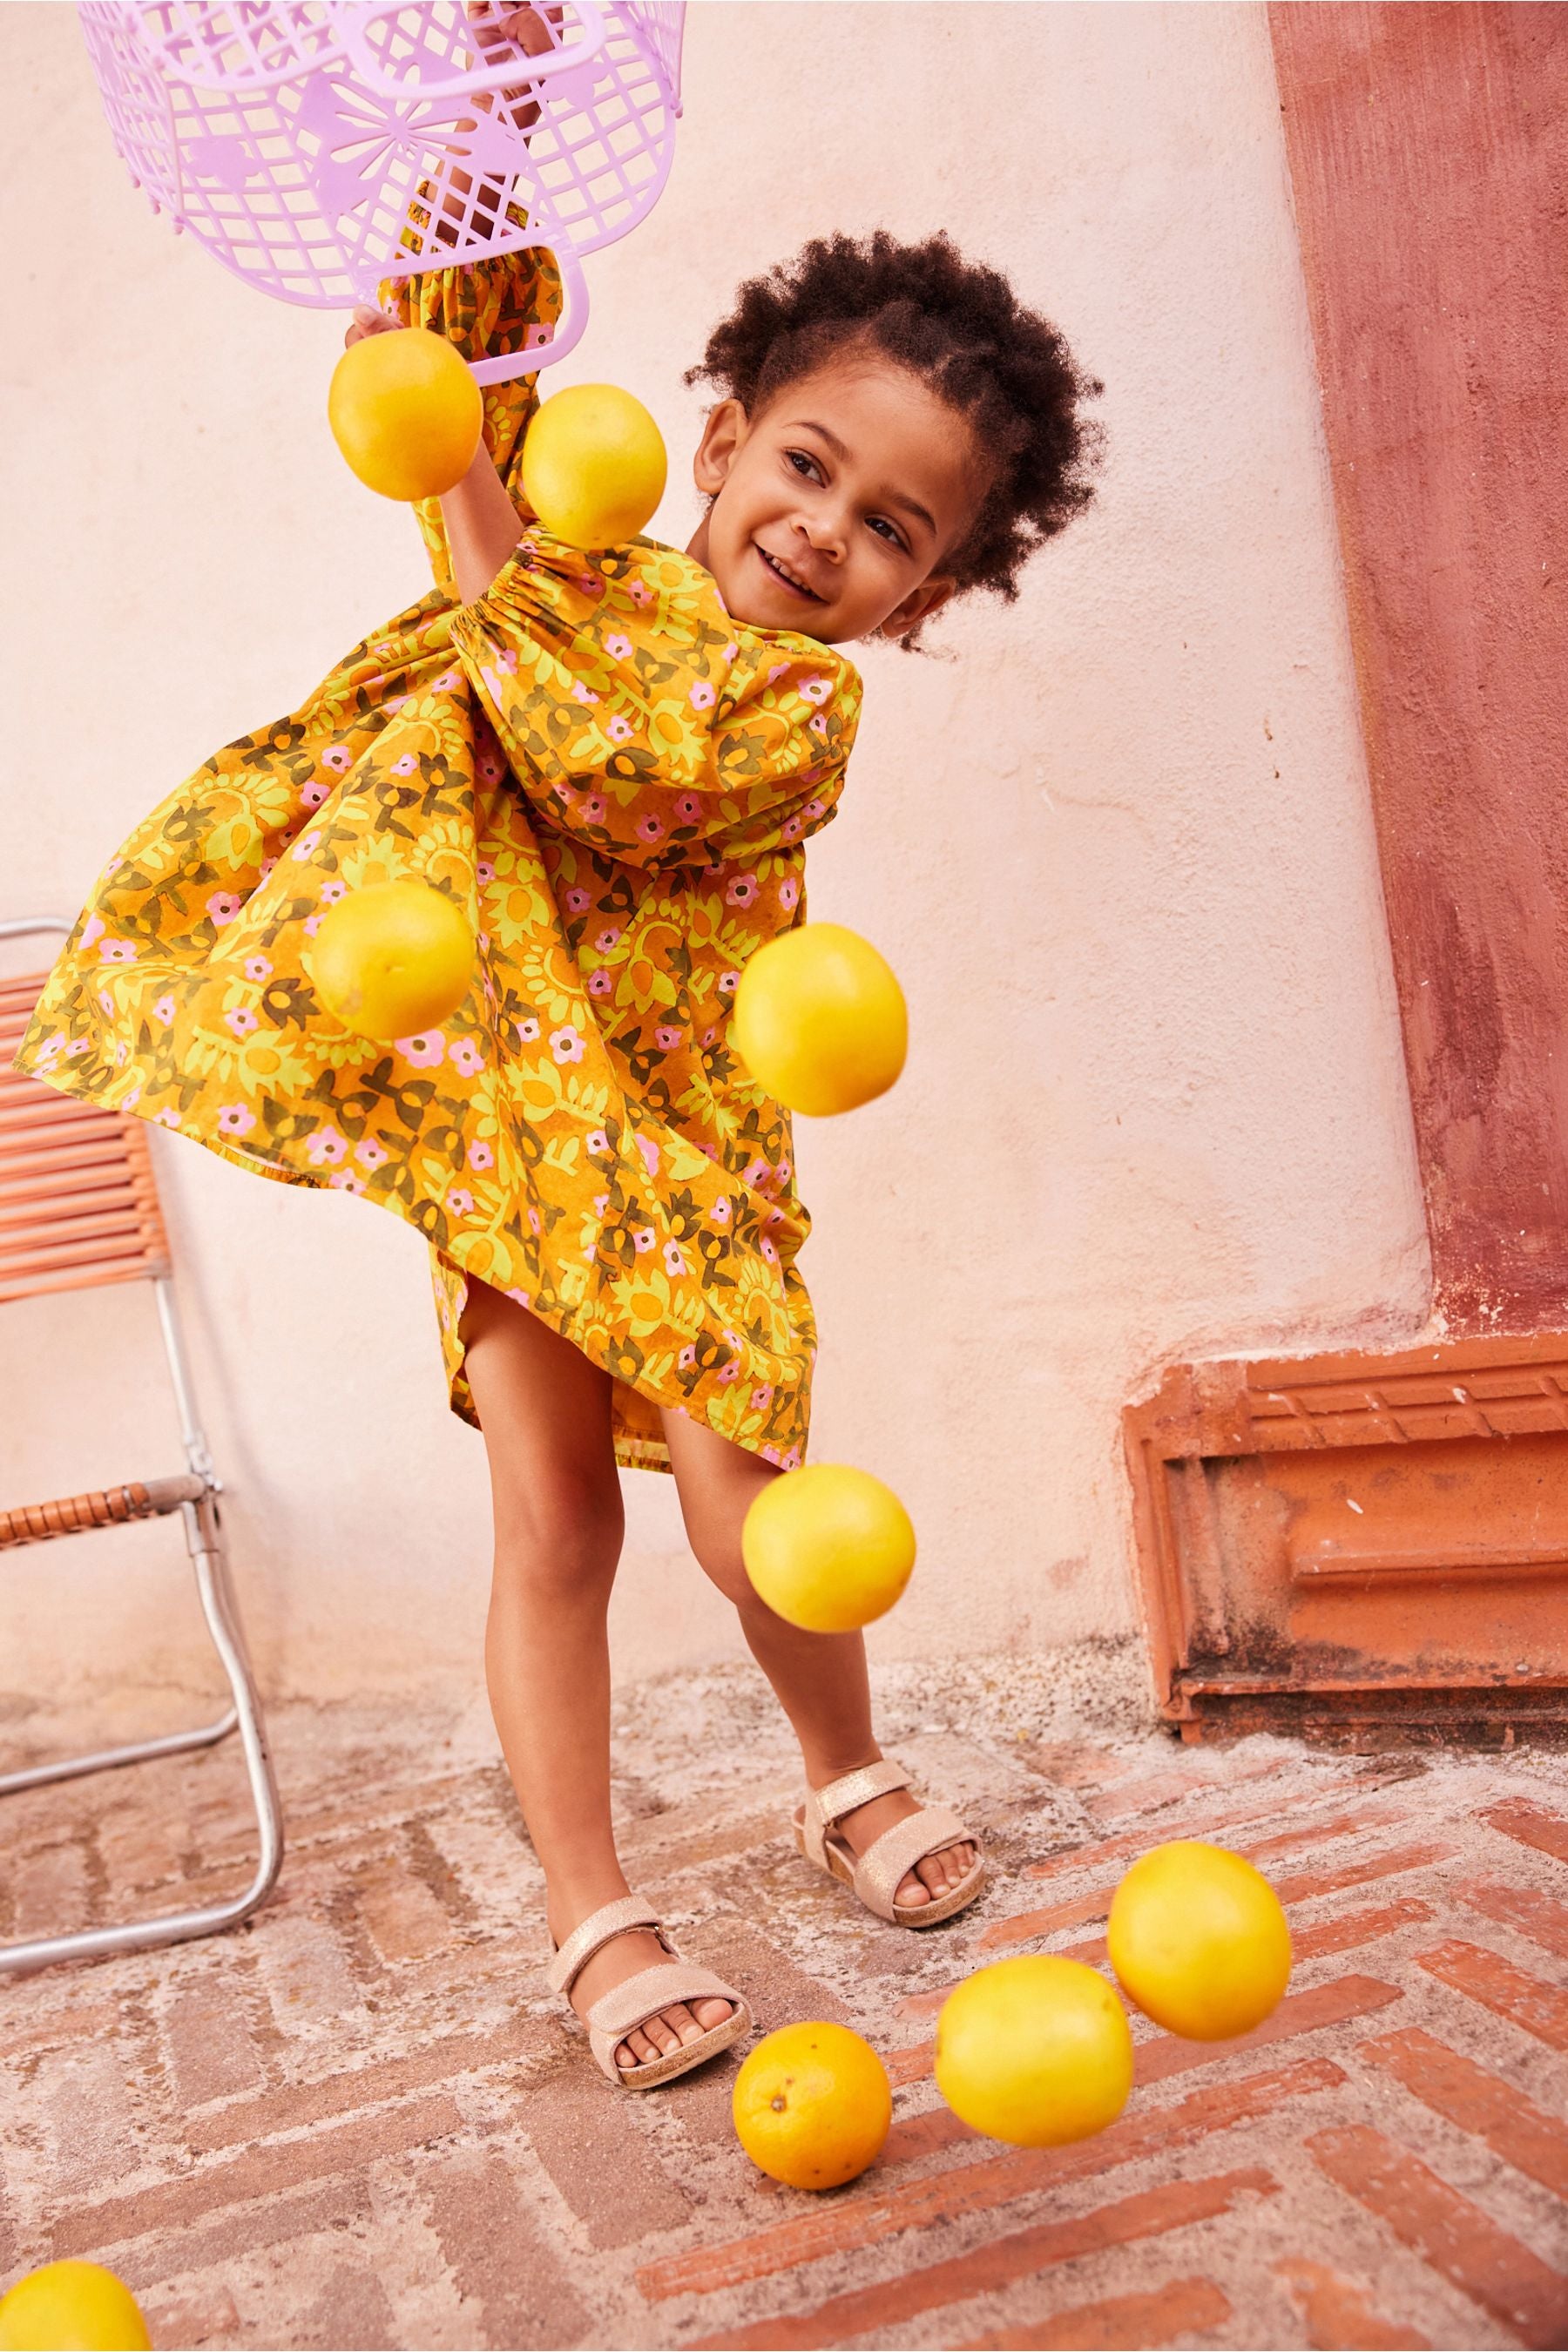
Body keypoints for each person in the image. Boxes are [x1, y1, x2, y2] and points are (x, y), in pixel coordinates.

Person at [14, 62, 1103, 2088]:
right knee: (551, 1520)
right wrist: (488, 142)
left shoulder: (787, 714)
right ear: (715, 436)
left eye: (887, 529)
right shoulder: (566, 555)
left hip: (681, 1132)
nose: (820, 531)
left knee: (738, 1499)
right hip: (510, 1109)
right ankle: (591, 1904)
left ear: (922, 594)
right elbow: (436, 354)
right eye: (802, 464)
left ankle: (841, 1768)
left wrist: (466, 525)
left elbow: (610, 757)